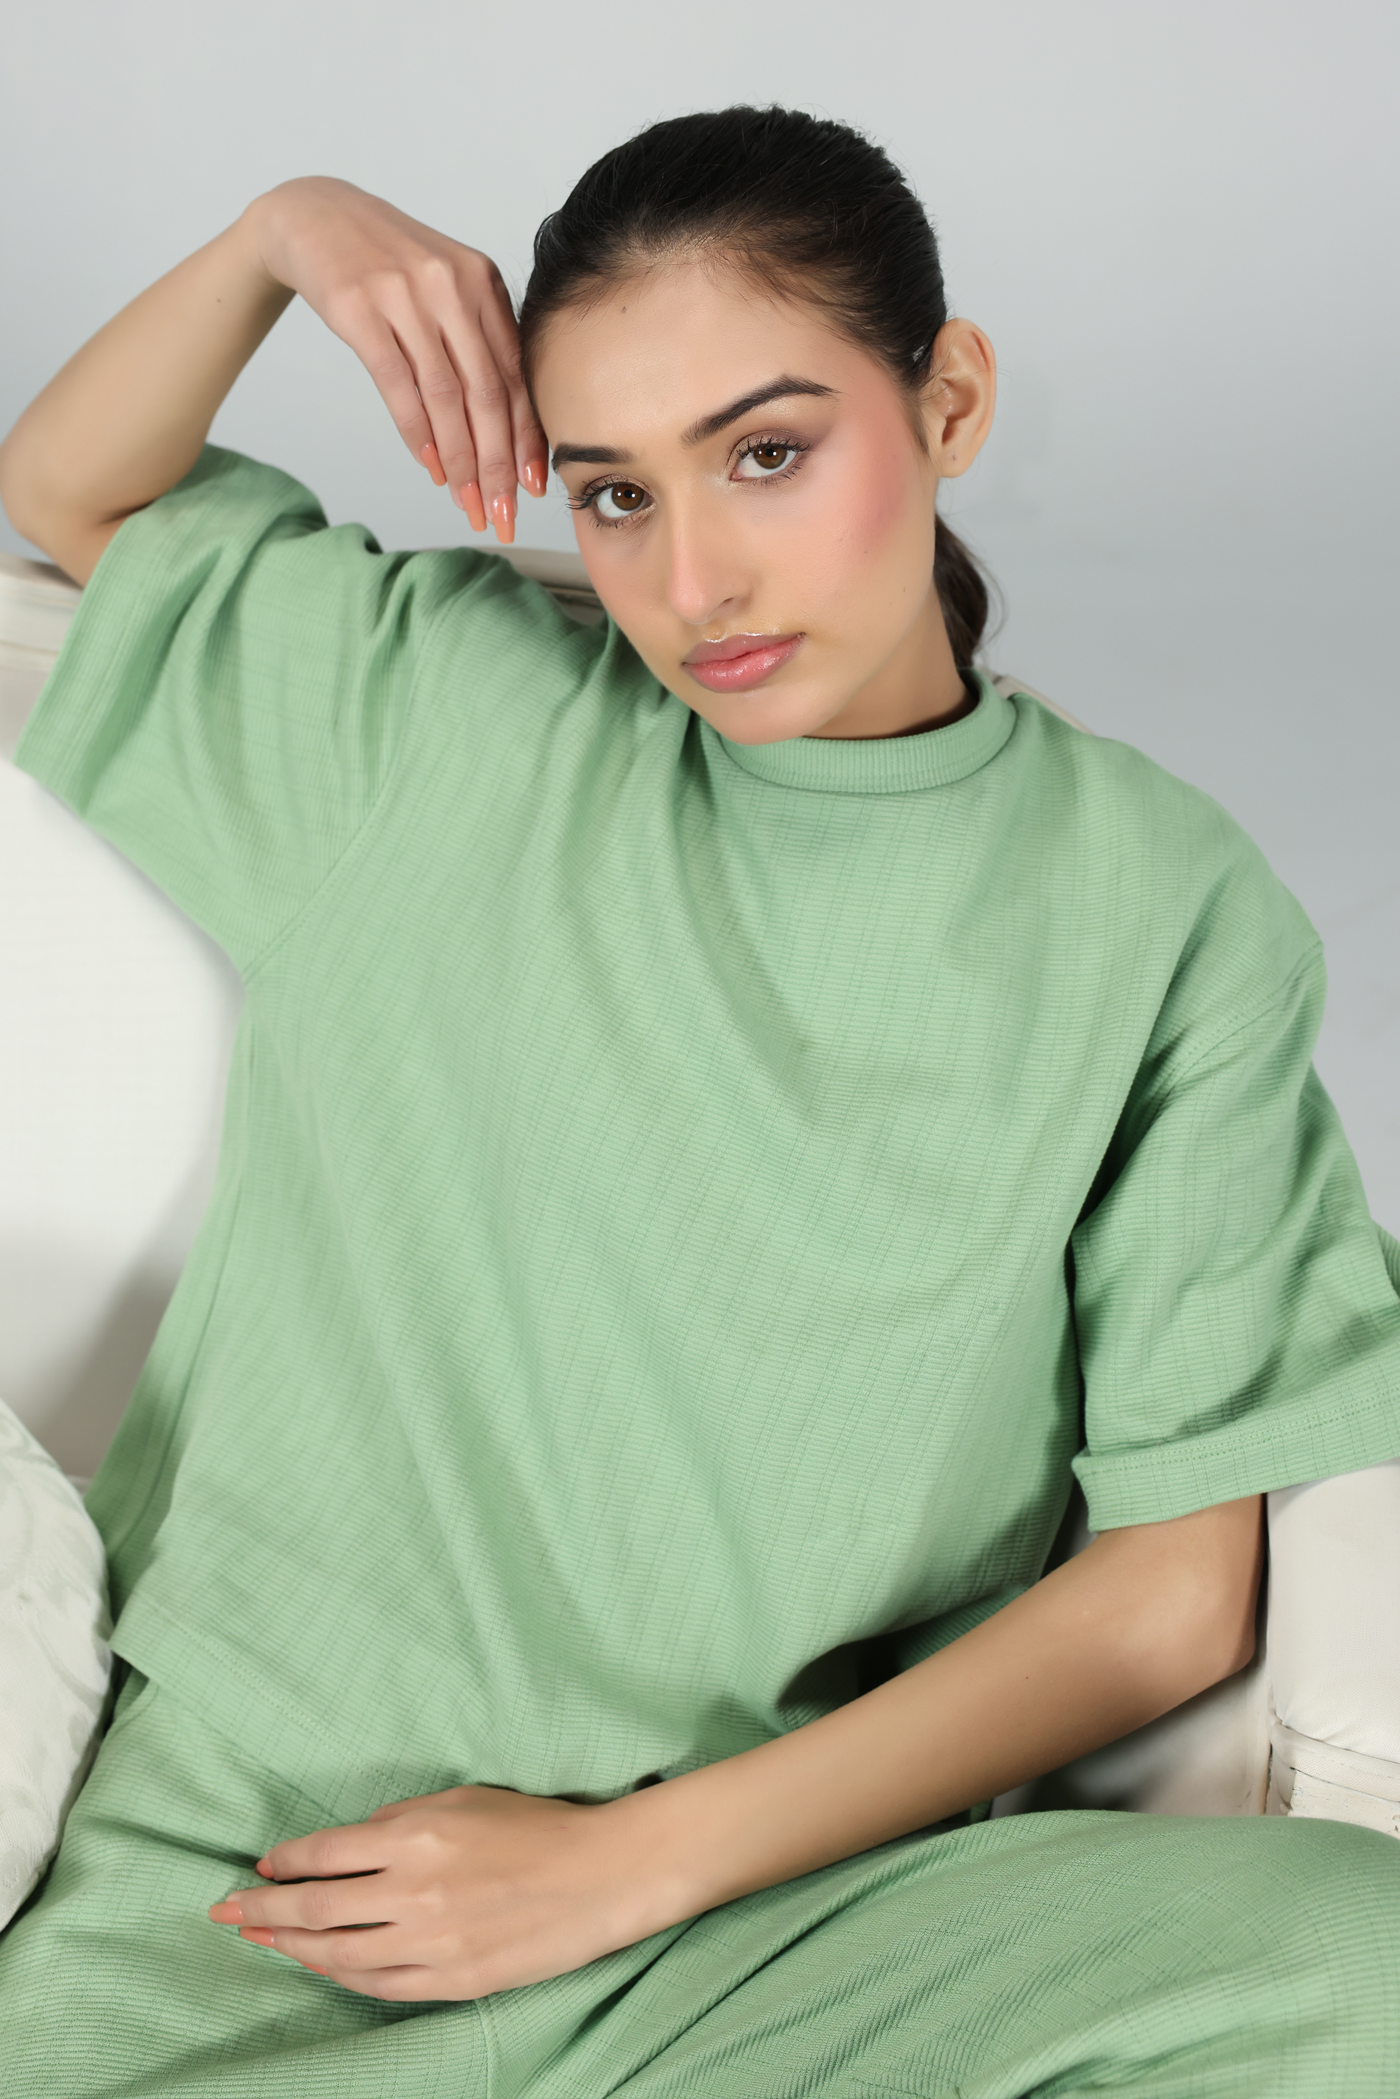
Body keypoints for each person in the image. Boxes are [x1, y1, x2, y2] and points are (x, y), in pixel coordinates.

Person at [1, 103, 1398, 2098]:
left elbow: (1170, 1593)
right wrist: (279, 234)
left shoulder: (1161, 903)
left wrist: (623, 1866)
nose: (696, 575)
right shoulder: (441, 712)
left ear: (948, 399)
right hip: (269, 1884)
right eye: (614, 492)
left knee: (1360, 1959)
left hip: (770, 1919)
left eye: (765, 452)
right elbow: (69, 485)